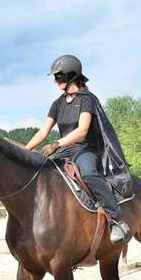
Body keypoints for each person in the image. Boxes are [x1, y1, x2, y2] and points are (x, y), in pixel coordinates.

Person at [26, 54, 131, 244]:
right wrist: (24, 152)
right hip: (65, 151)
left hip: (86, 149)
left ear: (71, 76)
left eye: (58, 76)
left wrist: (57, 144)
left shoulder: (86, 99)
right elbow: (43, 132)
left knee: (89, 174)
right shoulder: (57, 104)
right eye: (55, 77)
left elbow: (82, 131)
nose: (55, 80)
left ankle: (116, 219)